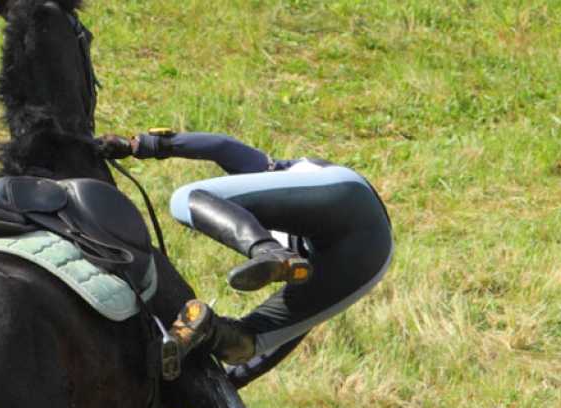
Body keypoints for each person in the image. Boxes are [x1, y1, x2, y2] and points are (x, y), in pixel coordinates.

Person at [98, 131, 393, 387]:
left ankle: (267, 251)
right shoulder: (300, 252)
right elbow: (285, 336)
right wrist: (228, 385)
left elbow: (223, 148)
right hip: (371, 261)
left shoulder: (276, 169)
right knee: (250, 340)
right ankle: (209, 328)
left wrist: (140, 144)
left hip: (352, 200)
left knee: (186, 198)